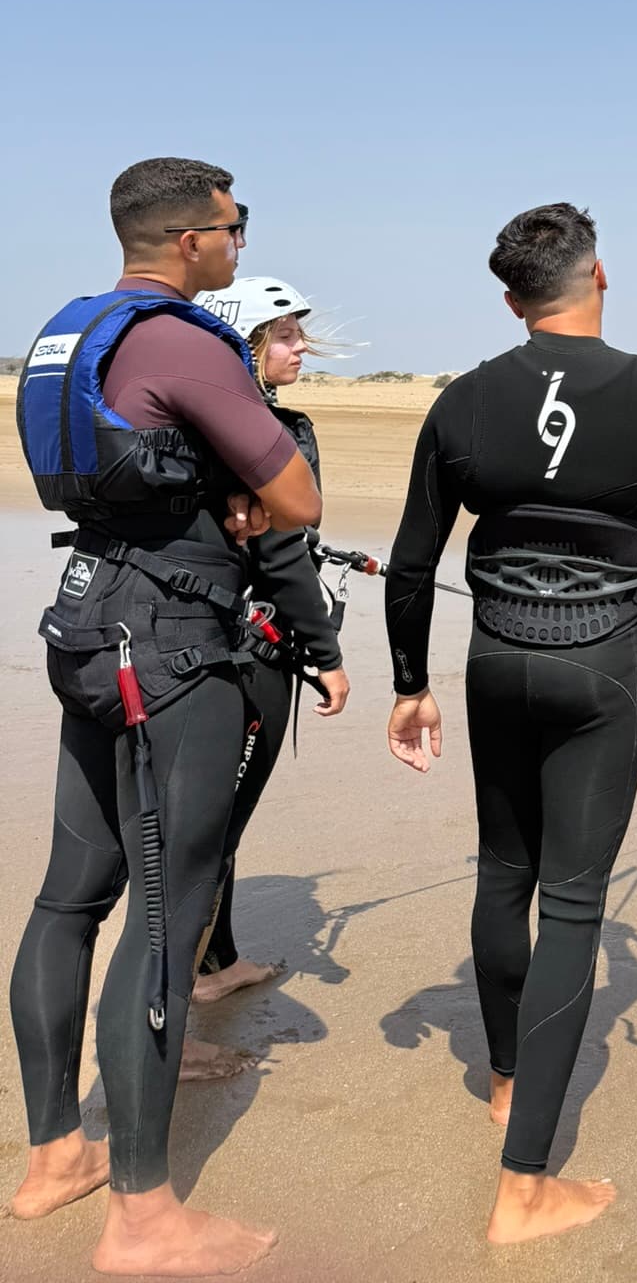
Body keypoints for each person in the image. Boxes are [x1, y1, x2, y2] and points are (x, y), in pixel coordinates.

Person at [9, 159, 323, 1278]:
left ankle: (54, 1157)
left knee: (66, 895)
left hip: (88, 622)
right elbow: (298, 498)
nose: (241, 240)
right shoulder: (185, 336)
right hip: (173, 645)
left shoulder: (73, 329)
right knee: (163, 913)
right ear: (190, 240)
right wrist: (240, 493)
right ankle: (144, 1216)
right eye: (236, 226)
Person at [384, 203, 637, 1246]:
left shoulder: (464, 398)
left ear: (513, 295)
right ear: (598, 274)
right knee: (574, 907)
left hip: (496, 657)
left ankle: (505, 1078)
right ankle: (524, 1183)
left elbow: (410, 559)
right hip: (601, 664)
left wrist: (408, 681)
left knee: (502, 872)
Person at [190, 278, 351, 1005]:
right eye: (284, 337)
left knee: (205, 820)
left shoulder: (190, 420)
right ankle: (191, 982)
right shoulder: (263, 430)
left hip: (195, 641)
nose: (301, 350)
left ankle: (215, 960)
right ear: (245, 346)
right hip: (250, 652)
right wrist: (328, 656)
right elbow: (283, 556)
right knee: (215, 825)